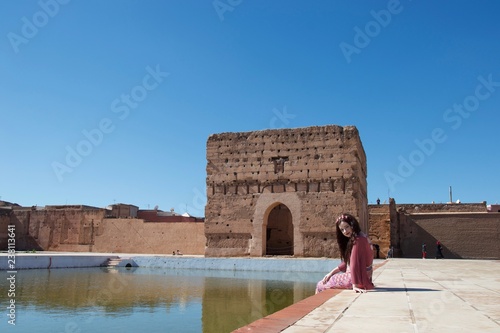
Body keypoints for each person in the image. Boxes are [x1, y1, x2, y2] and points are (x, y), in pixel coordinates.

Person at [316, 213, 375, 294]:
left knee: (320, 285)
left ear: (352, 225)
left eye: (347, 227)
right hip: (364, 278)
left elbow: (354, 263)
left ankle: (319, 306)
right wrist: (331, 273)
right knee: (328, 278)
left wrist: (355, 285)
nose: (345, 231)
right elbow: (348, 262)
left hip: (356, 279)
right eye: (342, 230)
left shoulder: (358, 240)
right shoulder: (362, 237)